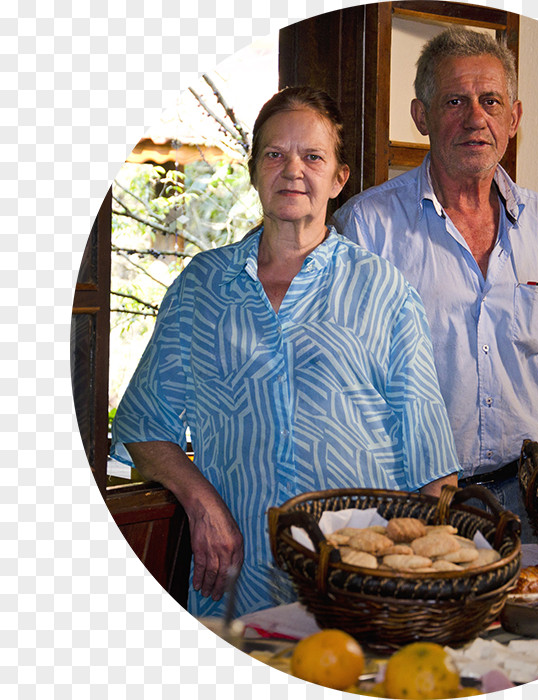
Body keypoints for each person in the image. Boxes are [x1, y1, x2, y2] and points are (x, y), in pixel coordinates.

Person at [111, 86, 460, 618]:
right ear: (254, 171)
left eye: (313, 157)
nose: (292, 169)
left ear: (339, 179)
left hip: (360, 584)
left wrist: (422, 582)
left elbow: (433, 466)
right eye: (275, 154)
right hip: (236, 575)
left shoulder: (384, 290)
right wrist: (201, 503)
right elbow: (142, 427)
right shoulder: (201, 288)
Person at [332, 28, 538, 541]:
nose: (476, 117)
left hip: (530, 500)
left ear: (513, 118)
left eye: (491, 101)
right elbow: (343, 389)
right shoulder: (367, 227)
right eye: (455, 100)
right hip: (409, 503)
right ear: (421, 116)